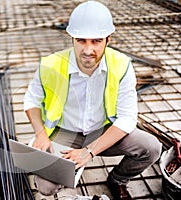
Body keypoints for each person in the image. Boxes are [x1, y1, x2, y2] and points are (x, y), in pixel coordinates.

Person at [23, 1, 162, 199]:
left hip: (102, 130)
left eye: (96, 41)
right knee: (46, 187)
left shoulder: (121, 66)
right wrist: (40, 133)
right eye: (81, 40)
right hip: (65, 132)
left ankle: (117, 180)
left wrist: (88, 152)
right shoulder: (50, 64)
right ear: (71, 38)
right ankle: (67, 176)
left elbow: (127, 119)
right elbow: (31, 101)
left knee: (151, 147)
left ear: (108, 39)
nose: (88, 50)